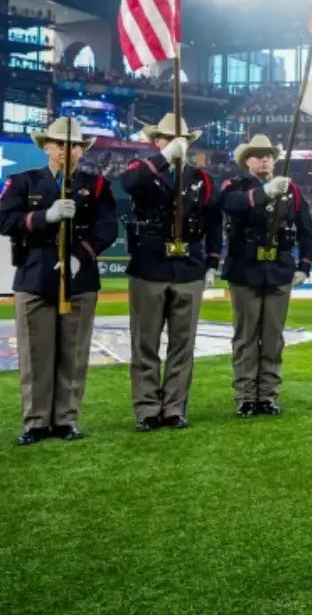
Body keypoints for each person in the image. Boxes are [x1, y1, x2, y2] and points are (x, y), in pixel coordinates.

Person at [0, 117, 119, 445]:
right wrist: (43, 217)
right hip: (34, 276)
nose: (67, 150)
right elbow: (4, 221)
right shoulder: (23, 182)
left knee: (74, 354)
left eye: (75, 145)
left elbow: (107, 227)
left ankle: (66, 419)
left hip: (80, 278)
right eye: (60, 144)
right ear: (47, 146)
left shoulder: (96, 186)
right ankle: (36, 422)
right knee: (35, 354)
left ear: (82, 150)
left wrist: (80, 254)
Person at [120, 113, 223, 432]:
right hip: (150, 265)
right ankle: (147, 408)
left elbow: (213, 223)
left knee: (183, 344)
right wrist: (164, 159)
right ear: (157, 142)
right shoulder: (143, 169)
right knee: (145, 343)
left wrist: (212, 263)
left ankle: (175, 407)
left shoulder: (201, 179)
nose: (178, 144)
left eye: (182, 140)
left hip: (189, 268)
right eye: (168, 139)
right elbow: (127, 185)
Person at [220, 135, 312, 418]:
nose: (265, 159)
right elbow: (231, 205)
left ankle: (268, 395)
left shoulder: (292, 191)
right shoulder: (234, 186)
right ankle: (246, 396)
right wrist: (264, 193)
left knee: (273, 338)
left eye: (269, 155)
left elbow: (307, 231)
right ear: (246, 160)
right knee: (246, 337)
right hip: (245, 271)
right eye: (258, 155)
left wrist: (304, 266)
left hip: (278, 271)